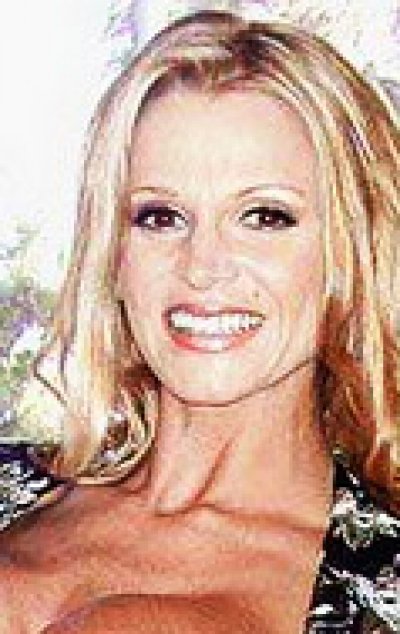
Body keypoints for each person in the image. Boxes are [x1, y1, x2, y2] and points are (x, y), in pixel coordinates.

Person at [0, 9, 399, 633]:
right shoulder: (13, 484)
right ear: (114, 257)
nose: (202, 267)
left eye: (264, 217)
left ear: (351, 254)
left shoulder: (379, 591)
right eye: (160, 217)